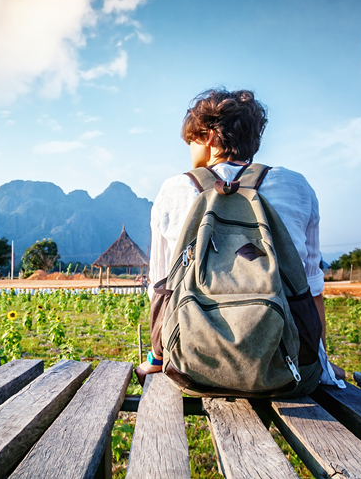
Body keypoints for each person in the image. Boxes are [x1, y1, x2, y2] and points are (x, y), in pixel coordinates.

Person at [135, 88, 345, 387]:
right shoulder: (297, 186)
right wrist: (321, 364)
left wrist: (157, 360)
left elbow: (162, 287)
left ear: (207, 135)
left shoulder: (173, 189)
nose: (190, 150)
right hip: (285, 367)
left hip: (192, 365)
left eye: (191, 141)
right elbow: (311, 289)